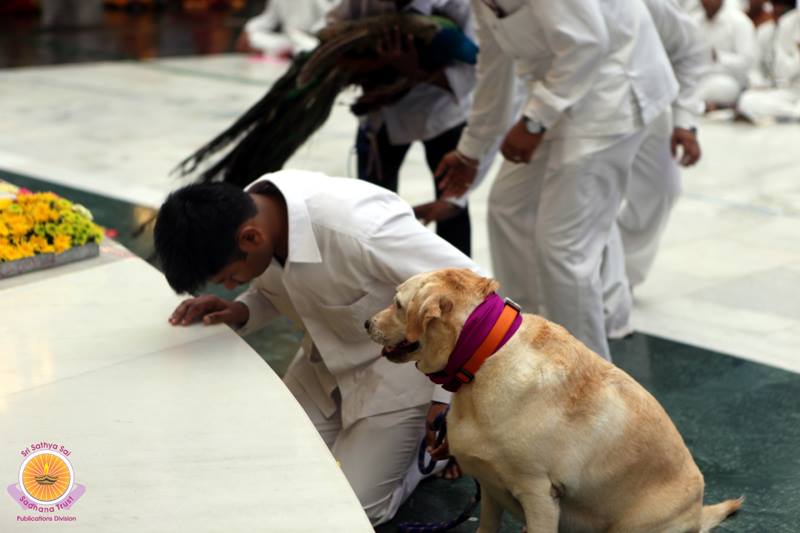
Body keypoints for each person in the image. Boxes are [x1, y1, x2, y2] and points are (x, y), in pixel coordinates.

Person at [153, 170, 475, 525]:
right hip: (321, 365)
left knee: (353, 511)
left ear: (251, 237)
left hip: (396, 375)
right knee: (267, 472)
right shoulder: (245, 214)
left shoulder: (360, 228)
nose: (233, 284)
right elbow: (281, 284)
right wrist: (242, 308)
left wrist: (447, 399)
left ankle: (425, 456)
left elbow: (471, 293)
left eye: (231, 278)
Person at [434, 0, 678, 360]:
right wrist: (471, 150)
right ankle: (530, 348)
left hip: (613, 90)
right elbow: (495, 69)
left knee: (564, 246)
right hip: (560, 91)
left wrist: (535, 121)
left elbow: (587, 42)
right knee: (507, 208)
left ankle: (585, 383)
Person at [326, 0, 476, 256]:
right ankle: (374, 274)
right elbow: (331, 34)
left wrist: (414, 70)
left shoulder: (459, 4)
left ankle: (463, 286)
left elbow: (477, 66)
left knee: (452, 204)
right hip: (381, 110)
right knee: (372, 204)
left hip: (441, 108)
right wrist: (372, 66)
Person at [603, 0, 711, 338]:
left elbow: (691, 49)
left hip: (649, 97)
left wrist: (685, 121)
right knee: (595, 204)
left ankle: (625, 274)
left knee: (664, 189)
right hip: (585, 110)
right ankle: (607, 293)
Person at [739, 0, 800, 122]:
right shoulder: (787, 23)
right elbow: (782, 71)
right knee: (747, 101)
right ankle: (794, 114)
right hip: (790, 90)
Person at [694, 0, 757, 110]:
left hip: (729, 81)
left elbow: (747, 62)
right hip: (697, 77)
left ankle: (696, 107)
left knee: (712, 87)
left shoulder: (739, 22)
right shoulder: (694, 21)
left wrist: (717, 56)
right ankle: (700, 107)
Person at [235, 0, 335, 57]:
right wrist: (249, 29)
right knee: (255, 37)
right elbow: (268, 19)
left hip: (308, 39)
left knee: (309, 47)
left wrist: (314, 33)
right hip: (287, 39)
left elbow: (327, 17)